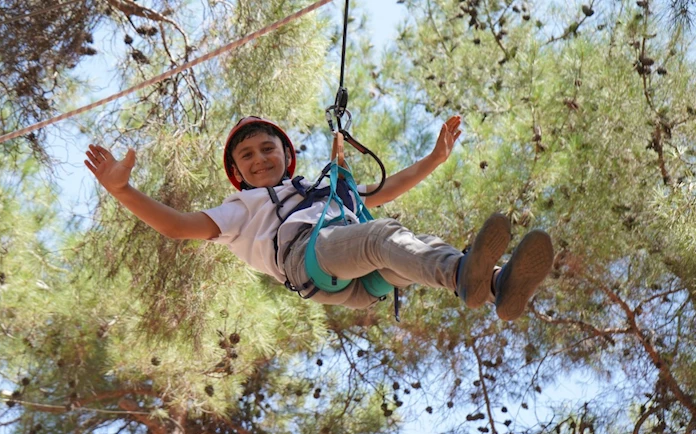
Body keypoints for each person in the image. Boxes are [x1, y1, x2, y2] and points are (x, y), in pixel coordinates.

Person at [84, 115, 553, 321]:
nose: (258, 158)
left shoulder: (322, 185)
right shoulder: (242, 208)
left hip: (360, 283)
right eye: (246, 156)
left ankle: (494, 283)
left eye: (267, 148)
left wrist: (434, 158)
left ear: (287, 154)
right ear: (237, 173)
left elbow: (386, 188)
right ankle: (464, 275)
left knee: (398, 248)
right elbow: (177, 226)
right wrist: (123, 189)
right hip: (309, 258)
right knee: (381, 237)